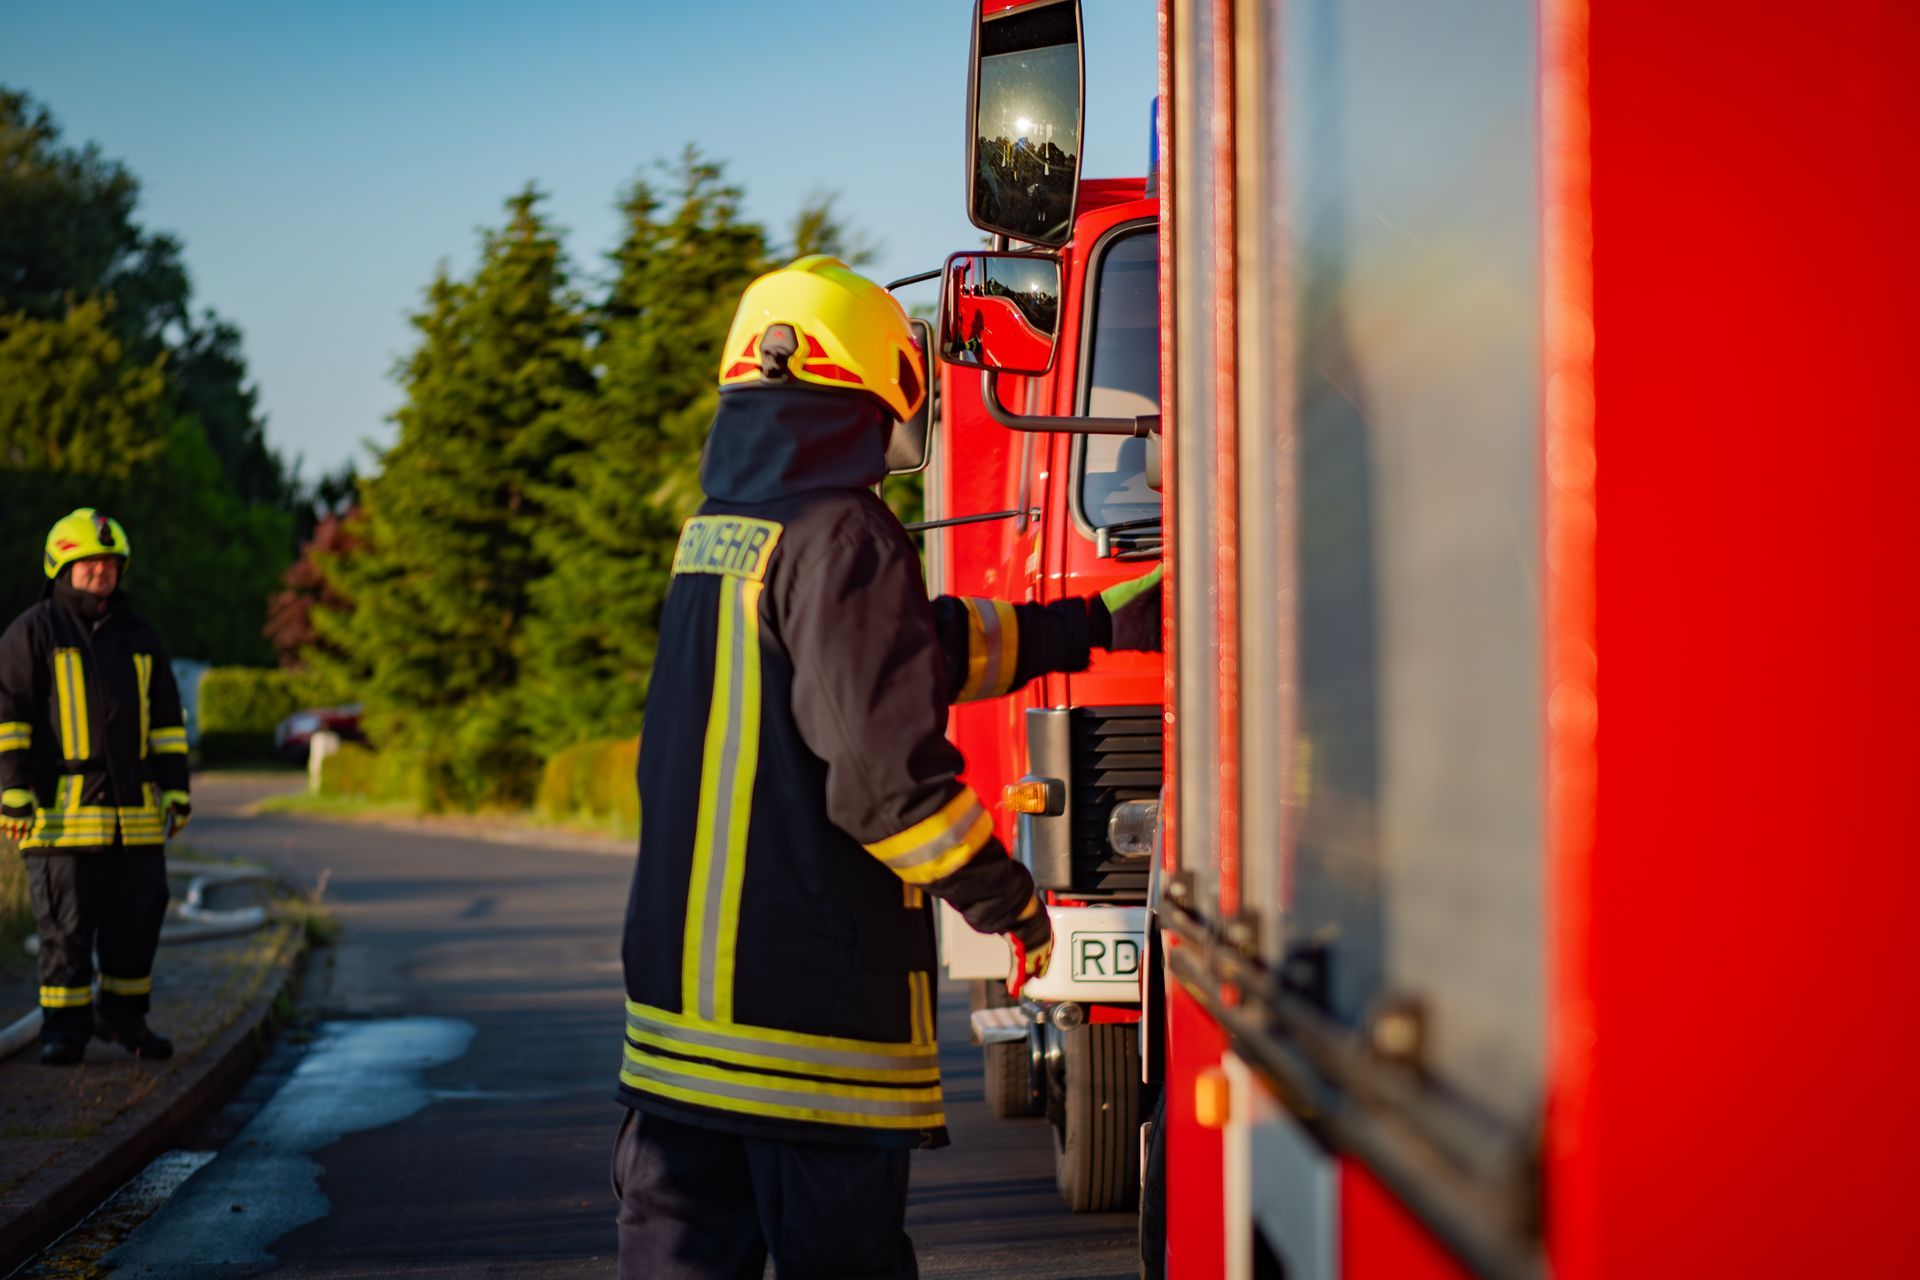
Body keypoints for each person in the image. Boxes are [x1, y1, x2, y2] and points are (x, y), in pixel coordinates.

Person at [611, 256, 1162, 1279]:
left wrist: (1085, 624)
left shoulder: (725, 533)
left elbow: (896, 652)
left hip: (679, 1035)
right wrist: (1012, 903)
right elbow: (885, 787)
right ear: (877, 381)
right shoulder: (845, 533)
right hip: (803, 1036)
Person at [0, 509, 191, 1065]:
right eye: (89, 563)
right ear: (62, 567)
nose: (101, 571)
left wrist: (176, 789)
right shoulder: (33, 631)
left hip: (135, 820)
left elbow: (166, 722)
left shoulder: (139, 635)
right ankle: (65, 1030)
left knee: (138, 922)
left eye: (109, 563)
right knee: (66, 930)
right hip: (61, 819)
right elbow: (9, 717)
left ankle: (126, 1020)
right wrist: (12, 789)